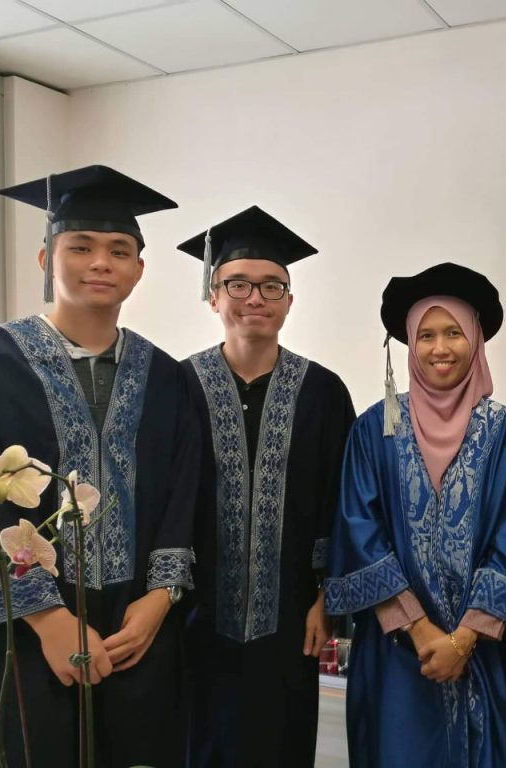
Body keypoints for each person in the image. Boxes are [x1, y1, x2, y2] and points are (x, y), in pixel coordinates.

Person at [0, 165, 199, 767]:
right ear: (46, 259)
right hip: (22, 635)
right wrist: (48, 619)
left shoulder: (167, 377)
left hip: (134, 634)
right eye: (81, 247)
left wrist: (160, 599)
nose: (101, 263)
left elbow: (183, 495)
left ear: (138, 269)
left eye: (119, 250)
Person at [325, 262, 506, 768]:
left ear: (476, 340)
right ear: (409, 344)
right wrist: (421, 631)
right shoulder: (374, 430)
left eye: (453, 333)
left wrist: (463, 640)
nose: (440, 348)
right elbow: (359, 532)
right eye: (426, 335)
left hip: (483, 655)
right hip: (396, 657)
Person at [178, 205, 355, 767]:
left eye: (271, 286)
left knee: (282, 743)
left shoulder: (324, 391)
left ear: (289, 300)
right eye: (238, 284)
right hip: (193, 617)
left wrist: (328, 600)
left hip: (292, 618)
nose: (255, 297)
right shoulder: (178, 386)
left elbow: (342, 502)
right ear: (214, 296)